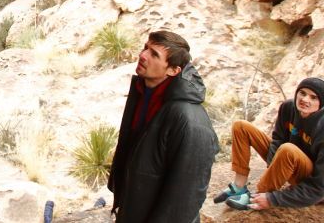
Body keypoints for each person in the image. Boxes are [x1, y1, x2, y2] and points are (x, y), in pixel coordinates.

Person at [107, 30, 219, 223]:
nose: (143, 55)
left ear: (174, 70)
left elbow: (185, 198)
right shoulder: (143, 92)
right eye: (145, 48)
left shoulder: (190, 123)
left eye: (154, 54)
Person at [213, 77, 324, 211]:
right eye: (303, 93)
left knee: (288, 149)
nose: (305, 99)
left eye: (314, 97)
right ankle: (239, 186)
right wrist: (275, 169)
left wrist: (273, 198)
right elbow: (278, 139)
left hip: (309, 178)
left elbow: (319, 187)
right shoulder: (288, 108)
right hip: (287, 161)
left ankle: (257, 197)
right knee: (241, 126)